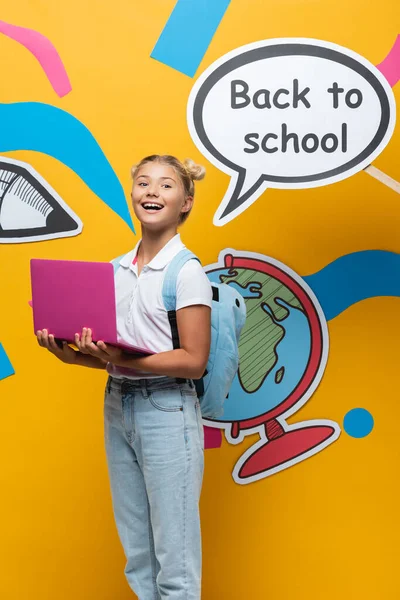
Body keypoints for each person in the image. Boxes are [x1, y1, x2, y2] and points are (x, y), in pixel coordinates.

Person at [36, 155, 212, 600]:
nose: (152, 192)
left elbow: (194, 362)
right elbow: (117, 355)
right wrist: (73, 357)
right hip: (119, 404)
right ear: (132, 194)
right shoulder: (113, 271)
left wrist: (127, 361)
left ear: (185, 203)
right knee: (139, 555)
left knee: (175, 562)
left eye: (166, 186)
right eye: (144, 183)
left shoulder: (186, 272)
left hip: (168, 409)